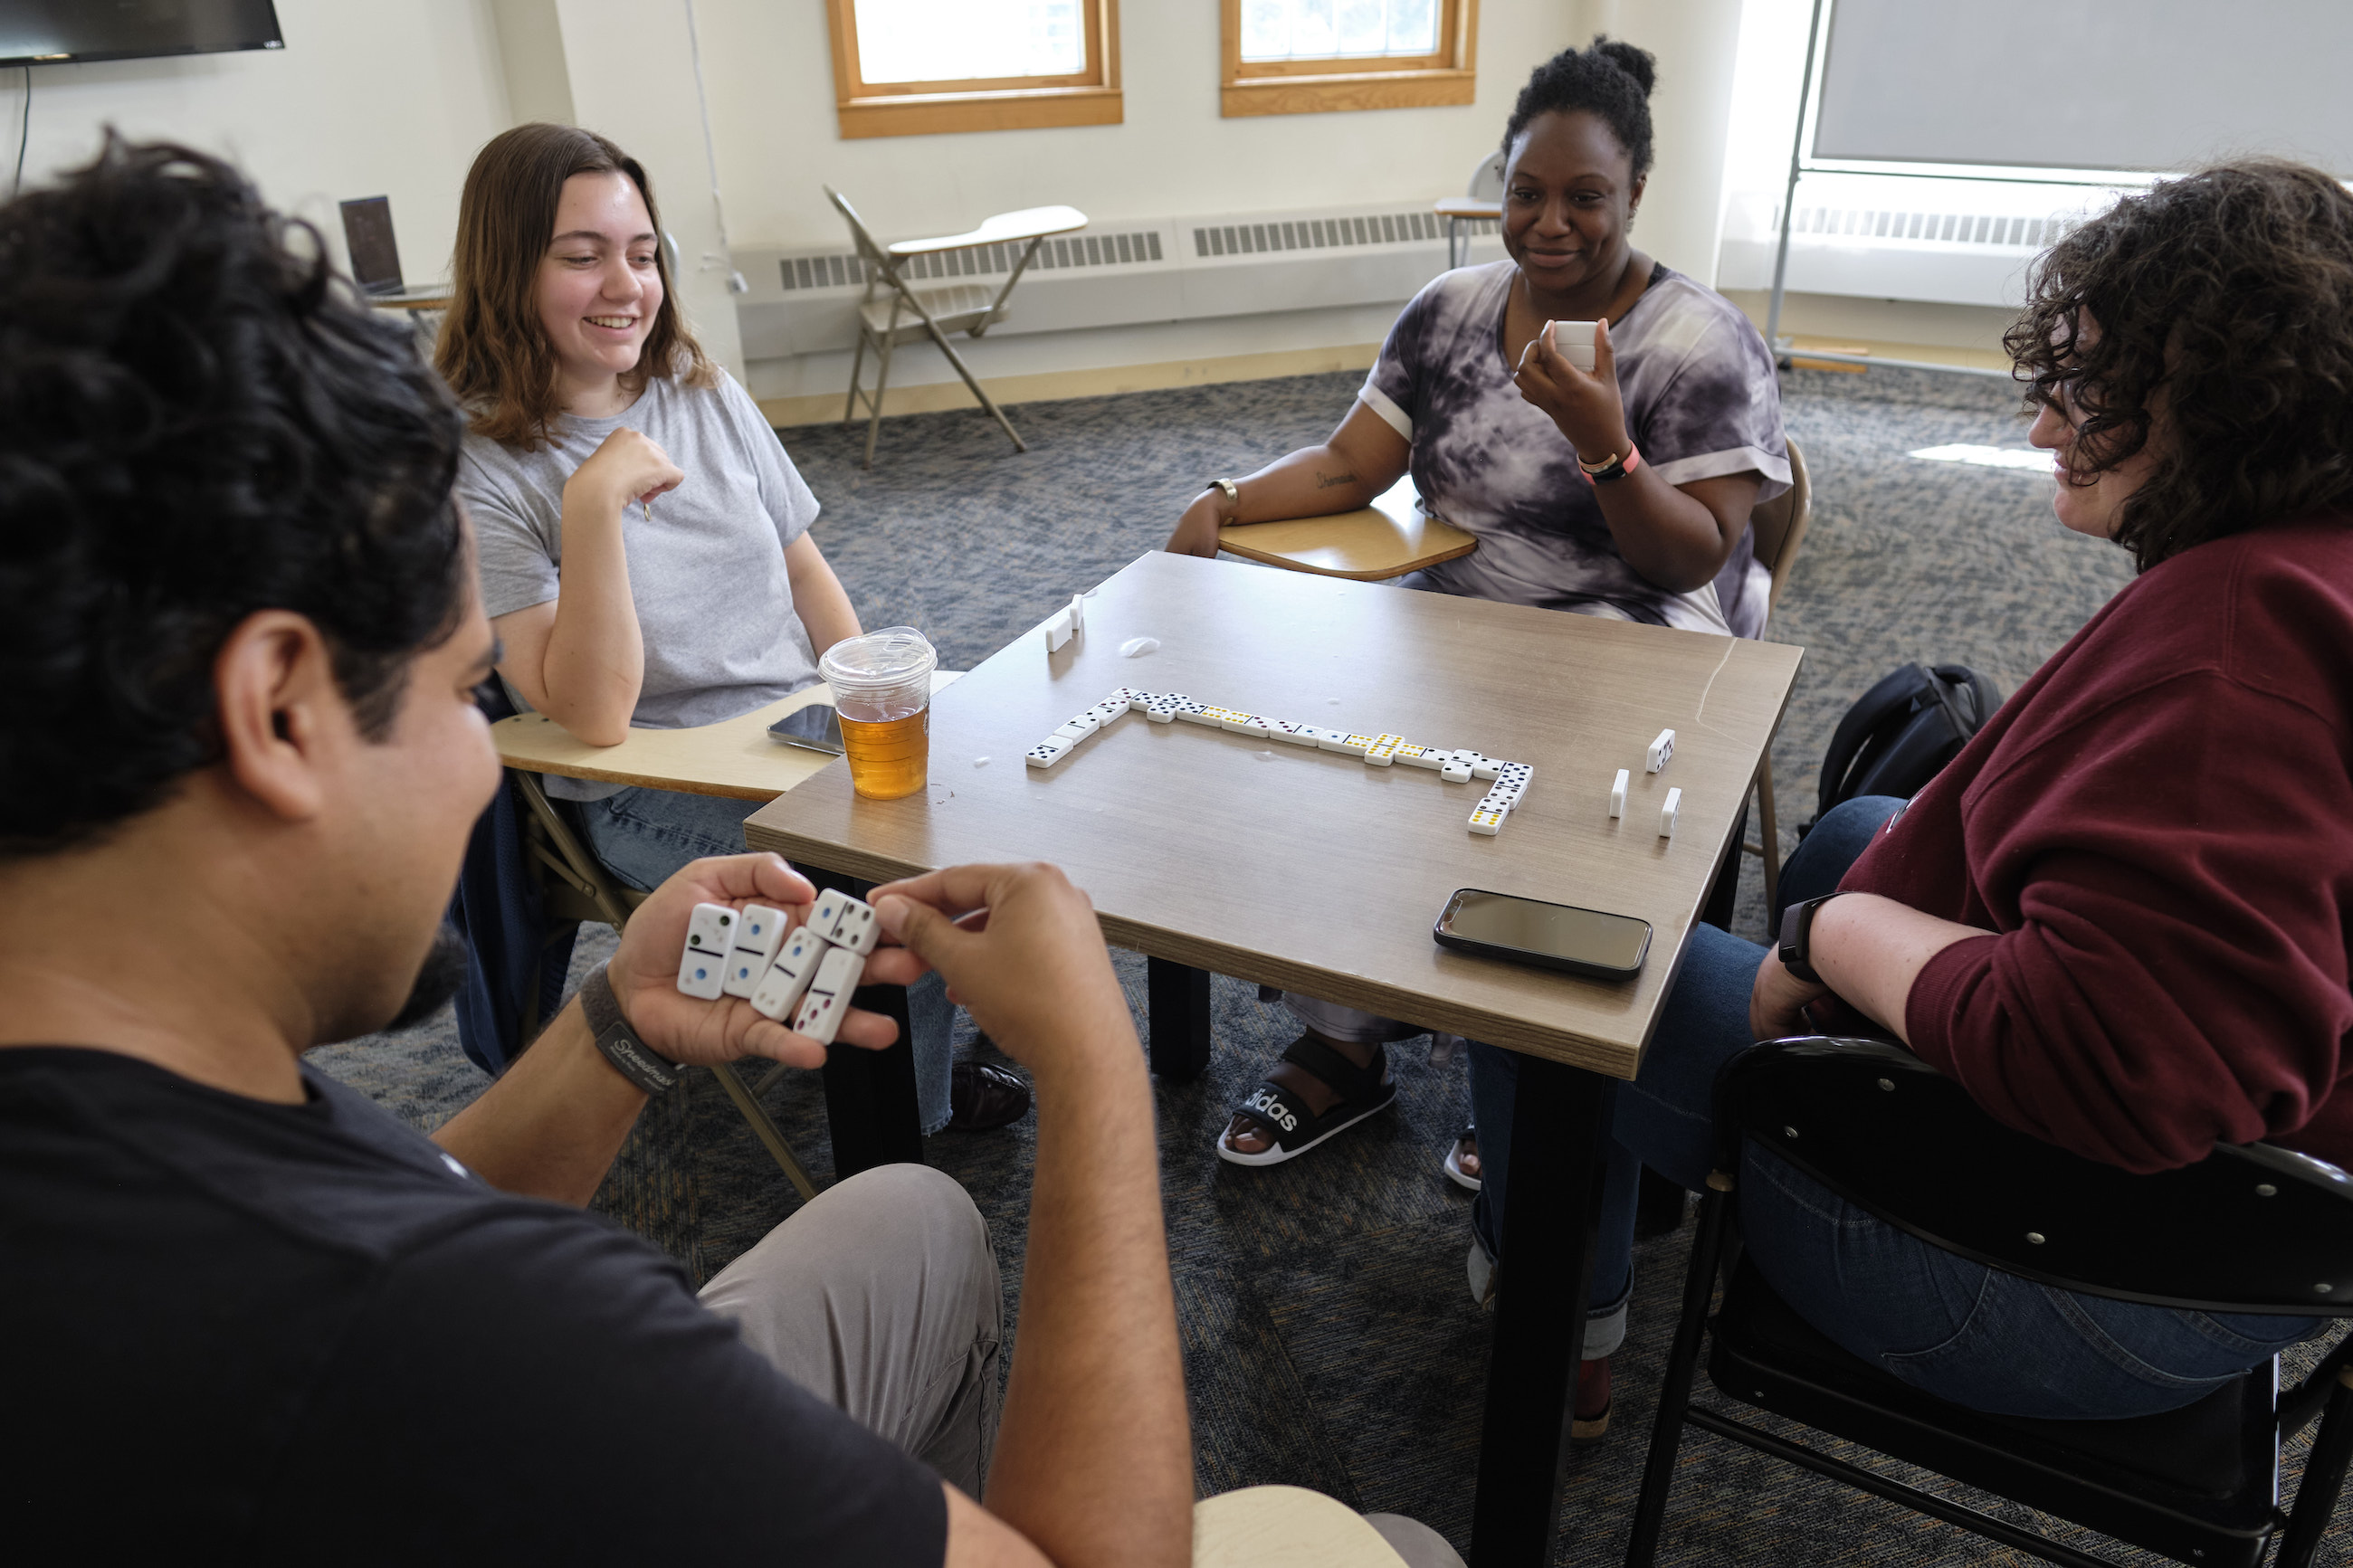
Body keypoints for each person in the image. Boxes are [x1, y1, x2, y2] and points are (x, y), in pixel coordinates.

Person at [0, 137, 1472, 1568]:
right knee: (1392, 1543)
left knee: (907, 1209)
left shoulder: (159, 1127)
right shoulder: (467, 1336)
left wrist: (612, 1033)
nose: (477, 752)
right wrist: (1093, 1072)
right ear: (275, 707)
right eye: (461, 691)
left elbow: (416, 1180)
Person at [1470, 159, 2353, 1435]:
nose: (2046, 429)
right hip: (2248, 1227)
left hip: (2081, 1289)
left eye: (2087, 391)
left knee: (1531, 960)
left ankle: (1564, 1333)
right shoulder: (2308, 568)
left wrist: (1826, 939)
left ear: (2215, 402)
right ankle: (1632, 1173)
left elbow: (2125, 1071)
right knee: (1853, 835)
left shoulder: (2237, 665)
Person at [1169, 39, 1789, 1179]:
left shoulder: (1698, 344)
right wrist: (1221, 500)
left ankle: (1519, 1056)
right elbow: (1351, 466)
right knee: (1345, 751)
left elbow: (1686, 559)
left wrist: (1603, 441)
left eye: (1584, 197)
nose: (1549, 223)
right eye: (1525, 192)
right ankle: (1342, 1038)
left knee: (1557, 793)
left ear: (1634, 194)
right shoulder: (1449, 311)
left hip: (1638, 630)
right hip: (1456, 607)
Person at [434, 122, 1024, 1135]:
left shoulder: (697, 387)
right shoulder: (479, 464)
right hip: (644, 783)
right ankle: (908, 1118)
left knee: (1007, 801)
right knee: (881, 890)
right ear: (507, 271)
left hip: (786, 735)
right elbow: (592, 713)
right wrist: (594, 503)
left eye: (642, 252)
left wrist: (861, 694)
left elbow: (799, 564)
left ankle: (917, 1034)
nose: (626, 283)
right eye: (582, 257)